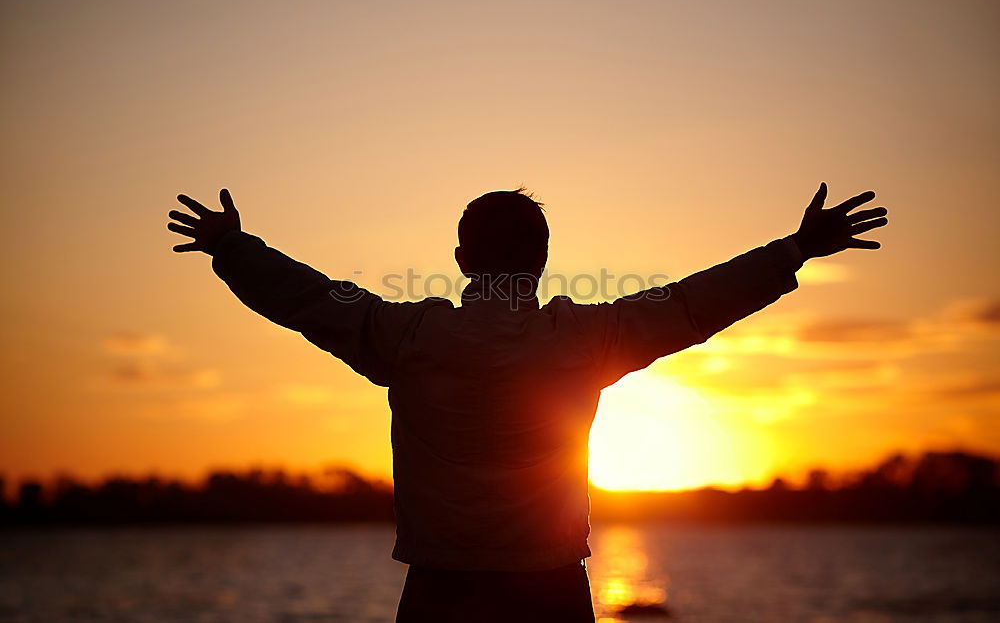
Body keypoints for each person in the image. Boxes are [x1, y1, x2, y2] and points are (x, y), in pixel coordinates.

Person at [167, 184, 887, 622]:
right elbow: (695, 302)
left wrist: (232, 248)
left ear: (460, 260)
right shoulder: (586, 336)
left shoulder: (407, 333)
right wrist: (794, 248)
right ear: (541, 258)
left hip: (439, 597)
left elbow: (309, 298)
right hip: (548, 597)